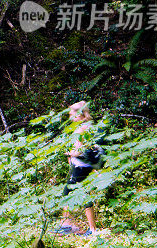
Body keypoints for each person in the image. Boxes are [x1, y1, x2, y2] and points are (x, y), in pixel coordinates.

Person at [54, 101, 100, 237]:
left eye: (72, 113)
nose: (70, 116)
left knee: (72, 194)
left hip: (80, 166)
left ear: (80, 114)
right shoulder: (88, 125)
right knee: (70, 193)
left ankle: (78, 227)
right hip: (83, 165)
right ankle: (70, 225)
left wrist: (67, 153)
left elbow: (78, 151)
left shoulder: (82, 128)